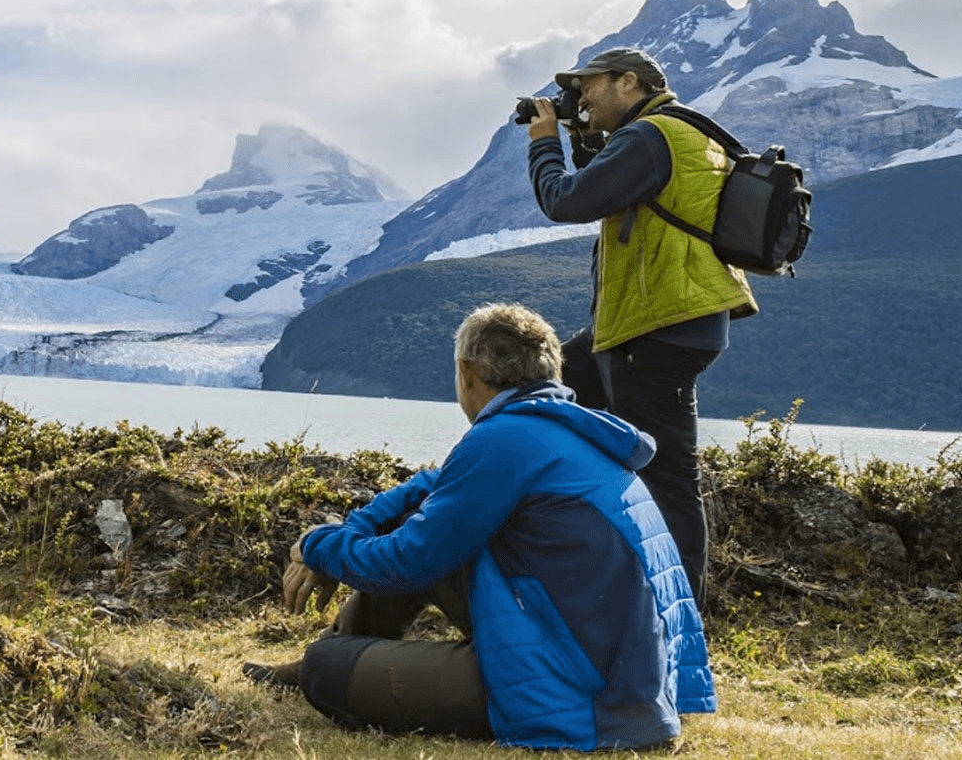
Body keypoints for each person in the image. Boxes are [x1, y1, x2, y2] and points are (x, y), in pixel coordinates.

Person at [244, 303, 714, 751]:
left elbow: (409, 560)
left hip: (580, 694)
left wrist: (318, 546)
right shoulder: (560, 430)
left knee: (326, 672)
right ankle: (323, 653)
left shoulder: (502, 439)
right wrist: (350, 530)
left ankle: (320, 660)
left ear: (467, 373)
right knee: (425, 527)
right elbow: (436, 488)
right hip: (621, 679)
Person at [525, 47, 757, 603]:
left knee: (669, 478)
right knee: (544, 398)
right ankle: (582, 576)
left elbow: (567, 200)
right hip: (666, 322)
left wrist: (544, 144)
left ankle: (682, 617)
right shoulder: (679, 130)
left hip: (655, 328)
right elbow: (613, 186)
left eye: (590, 86)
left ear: (628, 81)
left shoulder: (649, 137)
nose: (580, 97)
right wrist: (582, 134)